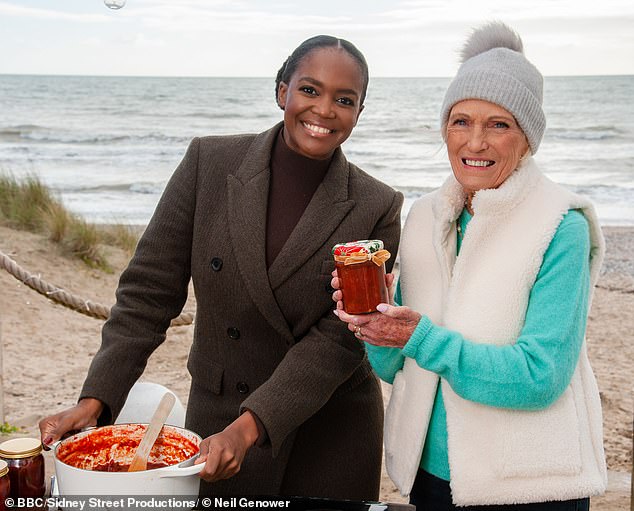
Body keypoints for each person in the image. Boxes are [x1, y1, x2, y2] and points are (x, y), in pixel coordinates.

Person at [39, 35, 403, 500]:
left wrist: (249, 428)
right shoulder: (208, 163)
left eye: (344, 99)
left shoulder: (377, 205)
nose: (325, 109)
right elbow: (147, 294)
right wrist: (97, 399)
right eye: (310, 90)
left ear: (359, 111)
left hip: (329, 431)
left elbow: (341, 338)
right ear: (281, 92)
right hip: (219, 415)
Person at [332, 22, 607, 510]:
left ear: (527, 138)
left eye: (498, 125)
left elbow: (539, 377)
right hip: (430, 477)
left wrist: (418, 336)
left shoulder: (561, 226)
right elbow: (400, 369)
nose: (474, 142)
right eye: (461, 121)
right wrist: (376, 325)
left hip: (529, 488)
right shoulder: (424, 216)